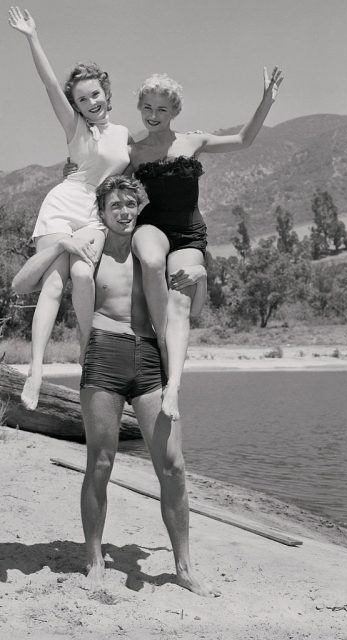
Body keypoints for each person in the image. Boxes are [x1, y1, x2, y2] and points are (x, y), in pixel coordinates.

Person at [13, 175, 217, 597]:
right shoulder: (89, 252)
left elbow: (193, 310)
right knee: (100, 465)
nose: (124, 212)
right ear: (102, 213)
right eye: (115, 206)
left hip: (148, 359)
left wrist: (202, 275)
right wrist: (61, 244)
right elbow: (22, 284)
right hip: (103, 356)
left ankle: (183, 566)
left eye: (130, 205)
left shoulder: (152, 255)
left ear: (138, 207)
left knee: (174, 468)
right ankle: (93, 560)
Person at [129, 68, 283, 422]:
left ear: (175, 112)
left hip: (188, 235)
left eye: (162, 110)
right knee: (152, 261)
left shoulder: (193, 142)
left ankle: (174, 388)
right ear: (140, 107)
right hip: (152, 226)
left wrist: (265, 102)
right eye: (147, 108)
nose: (153, 115)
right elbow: (105, 180)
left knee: (182, 307)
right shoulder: (133, 153)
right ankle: (162, 340)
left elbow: (244, 140)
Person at [8, 6, 131, 410]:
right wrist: (32, 37)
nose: (90, 101)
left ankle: (85, 352)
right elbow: (47, 84)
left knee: (81, 274)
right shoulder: (74, 128)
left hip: (93, 216)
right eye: (81, 98)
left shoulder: (125, 134)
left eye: (95, 94)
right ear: (75, 105)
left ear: (106, 93)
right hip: (61, 207)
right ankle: (37, 371)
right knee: (54, 284)